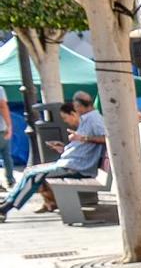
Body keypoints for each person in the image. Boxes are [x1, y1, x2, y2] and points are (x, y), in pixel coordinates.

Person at [0, 90, 105, 221]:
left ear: (80, 106)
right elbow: (82, 146)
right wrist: (64, 148)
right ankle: (7, 202)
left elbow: (106, 138)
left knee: (34, 176)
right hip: (70, 162)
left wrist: (82, 137)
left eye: (76, 106)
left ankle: (7, 207)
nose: (76, 109)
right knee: (29, 171)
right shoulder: (87, 119)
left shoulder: (94, 120)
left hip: (77, 167)